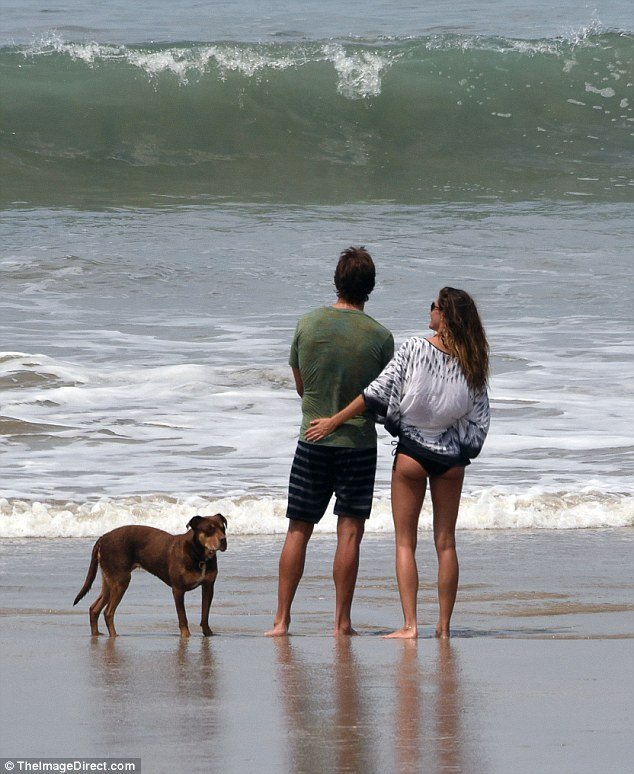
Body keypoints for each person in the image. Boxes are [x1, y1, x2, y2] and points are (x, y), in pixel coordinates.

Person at [305, 287, 490, 639]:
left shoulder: (415, 348)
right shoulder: (474, 363)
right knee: (446, 543)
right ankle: (445, 627)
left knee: (406, 543)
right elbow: (479, 422)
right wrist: (458, 448)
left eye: (434, 306)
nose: (430, 311)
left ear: (444, 316)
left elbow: (374, 393)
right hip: (451, 460)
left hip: (412, 456)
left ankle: (410, 625)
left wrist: (333, 421)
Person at [265, 246, 394, 637]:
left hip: (312, 440)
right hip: (357, 444)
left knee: (298, 529)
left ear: (336, 281)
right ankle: (341, 623)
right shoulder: (380, 337)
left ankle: (282, 620)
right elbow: (381, 397)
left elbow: (301, 386)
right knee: (350, 532)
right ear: (370, 287)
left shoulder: (307, 323)